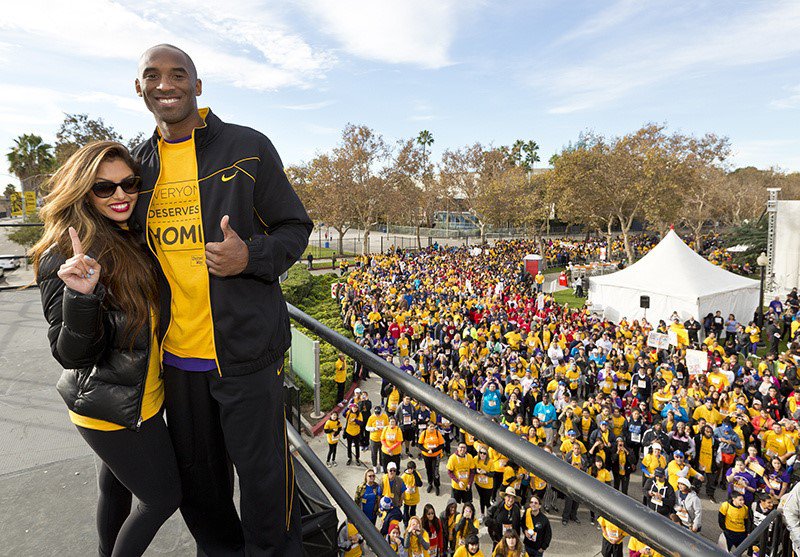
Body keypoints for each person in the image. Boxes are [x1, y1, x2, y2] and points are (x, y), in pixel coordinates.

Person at [132, 44, 312, 555]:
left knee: (264, 487)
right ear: (139, 88)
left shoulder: (247, 147)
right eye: (153, 76)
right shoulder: (136, 166)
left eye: (178, 74)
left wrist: (250, 257)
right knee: (201, 492)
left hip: (247, 358)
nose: (166, 84)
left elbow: (295, 227)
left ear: (198, 84)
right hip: (177, 361)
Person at [33, 141, 181, 557]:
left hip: (141, 398)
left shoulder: (130, 237)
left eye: (129, 183)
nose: (120, 195)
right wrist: (81, 296)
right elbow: (72, 355)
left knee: (114, 488)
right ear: (83, 190)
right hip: (112, 410)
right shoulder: (63, 256)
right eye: (104, 188)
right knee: (161, 498)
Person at [419, 421, 445, 495]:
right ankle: (430, 483)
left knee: (435, 472)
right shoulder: (424, 433)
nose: (432, 428)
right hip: (426, 456)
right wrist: (427, 451)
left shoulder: (437, 433)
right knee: (428, 470)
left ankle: (437, 486)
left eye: (433, 426)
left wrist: (433, 451)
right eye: (431, 426)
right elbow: (420, 445)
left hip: (436, 456)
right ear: (427, 427)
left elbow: (441, 445)